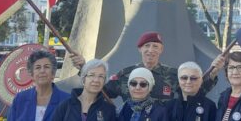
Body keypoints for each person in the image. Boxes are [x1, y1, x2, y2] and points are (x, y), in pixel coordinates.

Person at [70, 31, 224, 104]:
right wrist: (84, 68)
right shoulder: (125, 74)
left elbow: (195, 92)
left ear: (161, 50)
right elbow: (102, 93)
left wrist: (212, 73)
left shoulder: (173, 74)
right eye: (147, 46)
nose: (151, 50)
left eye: (156, 46)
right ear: (140, 49)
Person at [8, 50, 70, 121]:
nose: (42, 71)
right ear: (32, 74)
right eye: (38, 67)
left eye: (46, 67)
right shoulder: (20, 99)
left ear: (53, 73)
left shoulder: (67, 101)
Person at [52, 59, 117, 121]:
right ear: (83, 79)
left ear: (104, 81)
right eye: (92, 75)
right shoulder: (65, 106)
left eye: (101, 76)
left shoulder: (109, 110)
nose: (96, 80)